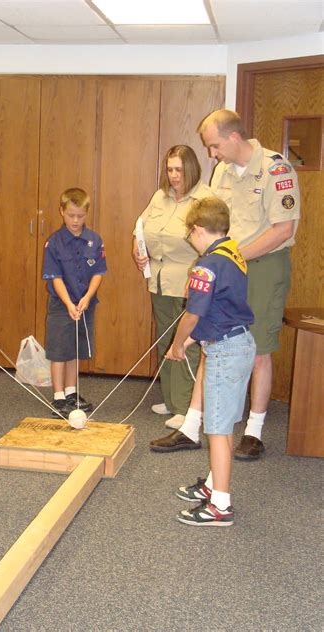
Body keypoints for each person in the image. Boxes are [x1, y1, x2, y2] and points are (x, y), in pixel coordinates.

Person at [154, 109, 300, 459]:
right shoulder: (221, 171)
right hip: (227, 267)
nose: (211, 154)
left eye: (214, 145)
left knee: (260, 348)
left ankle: (253, 431)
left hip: (263, 266)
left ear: (234, 138)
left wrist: (231, 258)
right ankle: (191, 426)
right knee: (210, 340)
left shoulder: (276, 170)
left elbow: (284, 230)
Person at [167, 197, 256, 526]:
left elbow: (193, 313)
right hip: (238, 342)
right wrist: (189, 340)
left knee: (217, 430)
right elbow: (220, 309)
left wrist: (178, 343)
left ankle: (220, 505)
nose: (190, 239)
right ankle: (211, 485)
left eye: (190, 233)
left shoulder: (206, 265)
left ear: (198, 230)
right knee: (225, 423)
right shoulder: (233, 253)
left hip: (225, 352)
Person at [132, 145, 210, 432]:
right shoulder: (160, 196)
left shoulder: (205, 199)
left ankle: (185, 407)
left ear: (191, 169)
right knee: (165, 340)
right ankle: (169, 397)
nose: (174, 175)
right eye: (170, 169)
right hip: (160, 278)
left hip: (188, 281)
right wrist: (137, 250)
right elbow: (140, 228)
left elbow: (212, 243)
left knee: (185, 345)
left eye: (179, 169)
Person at [42, 188, 107, 418]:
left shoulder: (95, 240)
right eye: (71, 215)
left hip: (85, 304)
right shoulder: (54, 242)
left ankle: (71, 392)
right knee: (59, 349)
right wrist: (69, 303)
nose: (76, 221)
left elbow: (99, 272)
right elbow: (55, 277)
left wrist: (87, 297)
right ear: (62, 212)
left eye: (80, 216)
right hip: (62, 305)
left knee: (75, 348)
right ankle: (58, 396)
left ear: (87, 213)